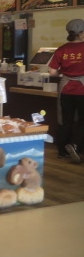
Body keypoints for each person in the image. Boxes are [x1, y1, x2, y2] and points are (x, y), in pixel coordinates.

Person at [48, 18, 84, 163]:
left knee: (64, 120)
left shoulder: (62, 49)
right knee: (82, 120)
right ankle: (75, 146)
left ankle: (62, 151)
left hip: (66, 89)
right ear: (81, 33)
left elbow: (52, 72)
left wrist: (63, 72)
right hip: (82, 89)